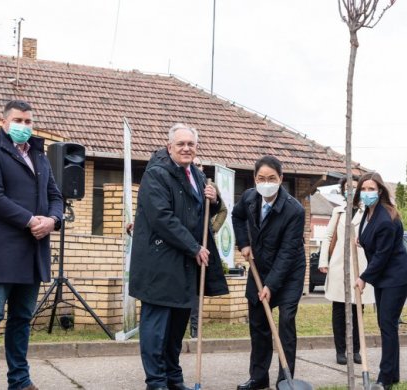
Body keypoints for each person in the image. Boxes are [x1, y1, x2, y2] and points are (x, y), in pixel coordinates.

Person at [0, 100, 64, 390]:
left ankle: (20, 380)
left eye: (28, 121)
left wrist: (53, 221)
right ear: (4, 122)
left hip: (33, 253)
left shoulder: (40, 156)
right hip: (2, 251)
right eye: (18, 121)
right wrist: (31, 221)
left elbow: (56, 196)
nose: (24, 126)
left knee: (22, 319)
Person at [129, 123, 228, 390]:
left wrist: (214, 199)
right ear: (169, 146)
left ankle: (173, 378)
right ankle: (157, 381)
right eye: (181, 144)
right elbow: (162, 217)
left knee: (176, 328)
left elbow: (199, 211)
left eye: (191, 144)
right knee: (157, 329)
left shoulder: (196, 175)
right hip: (160, 264)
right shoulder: (156, 174)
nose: (186, 148)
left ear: (196, 148)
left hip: (185, 266)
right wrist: (193, 247)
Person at [232, 155, 306, 390]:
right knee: (259, 324)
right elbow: (236, 216)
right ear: (255, 179)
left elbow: (287, 253)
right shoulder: (249, 198)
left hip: (289, 271)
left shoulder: (294, 210)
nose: (266, 182)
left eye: (271, 178)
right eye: (261, 178)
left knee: (285, 321)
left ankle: (285, 379)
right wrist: (243, 243)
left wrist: (271, 285)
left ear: (281, 179)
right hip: (259, 267)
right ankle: (258, 377)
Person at [354, 172, 407, 389]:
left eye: (371, 189)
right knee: (385, 324)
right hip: (384, 277)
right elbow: (373, 241)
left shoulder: (385, 218)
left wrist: (363, 278)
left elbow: (382, 254)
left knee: (387, 324)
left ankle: (385, 378)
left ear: (380, 190)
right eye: (363, 188)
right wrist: (362, 240)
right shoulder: (369, 213)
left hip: (396, 276)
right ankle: (393, 373)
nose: (367, 193)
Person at [318, 177, 375, 365]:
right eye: (346, 188)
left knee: (358, 308)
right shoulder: (338, 211)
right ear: (342, 191)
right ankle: (340, 350)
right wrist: (323, 260)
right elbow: (327, 236)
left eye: (353, 188)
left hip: (360, 265)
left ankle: (356, 350)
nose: (349, 190)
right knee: (339, 310)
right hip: (338, 266)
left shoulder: (366, 210)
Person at [188, 156, 228, 339]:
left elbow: (222, 209)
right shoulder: (183, 183)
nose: (196, 167)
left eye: (198, 165)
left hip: (203, 242)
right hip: (184, 241)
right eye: (193, 164)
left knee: (198, 286)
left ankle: (195, 329)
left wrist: (213, 228)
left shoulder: (208, 186)